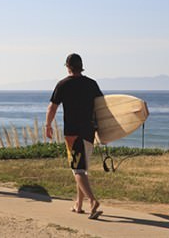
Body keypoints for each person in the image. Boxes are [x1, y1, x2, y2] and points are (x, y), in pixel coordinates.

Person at [45, 53, 103, 220]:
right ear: (81, 66)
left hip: (72, 133)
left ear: (68, 66)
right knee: (82, 169)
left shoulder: (63, 84)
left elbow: (52, 108)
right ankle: (78, 205)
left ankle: (92, 201)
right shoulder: (92, 84)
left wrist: (48, 125)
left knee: (77, 169)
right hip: (89, 132)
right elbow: (101, 106)